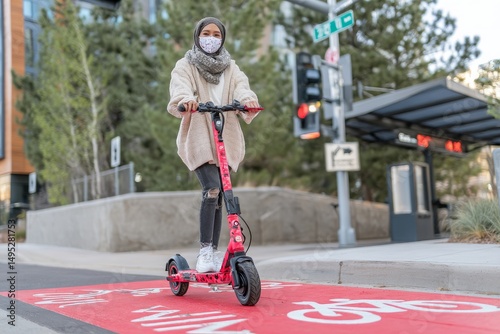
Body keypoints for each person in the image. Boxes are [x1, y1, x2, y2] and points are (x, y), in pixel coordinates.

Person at [167, 17, 261, 273]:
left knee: (222, 193)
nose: (211, 38)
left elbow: (242, 88)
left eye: (216, 34)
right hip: (199, 135)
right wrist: (187, 101)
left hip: (224, 135)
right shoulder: (185, 64)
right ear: (197, 36)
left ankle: (217, 252)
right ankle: (205, 250)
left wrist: (247, 101)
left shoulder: (231, 67)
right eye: (206, 33)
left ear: (223, 39)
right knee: (211, 189)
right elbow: (180, 87)